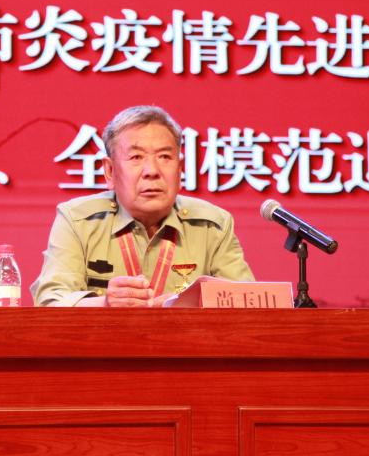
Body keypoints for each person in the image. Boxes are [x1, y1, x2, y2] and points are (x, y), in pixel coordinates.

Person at [31, 105, 255, 307]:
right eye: (136, 157)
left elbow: (248, 304)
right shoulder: (77, 220)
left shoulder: (213, 225)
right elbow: (50, 302)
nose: (152, 171)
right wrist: (105, 304)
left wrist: (190, 308)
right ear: (110, 171)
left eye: (164, 157)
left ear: (180, 169)